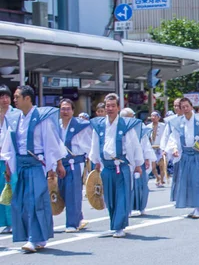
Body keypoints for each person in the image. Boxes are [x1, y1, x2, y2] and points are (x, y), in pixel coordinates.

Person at [1, 85, 67, 252]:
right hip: (21, 165)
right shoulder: (15, 119)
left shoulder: (40, 117)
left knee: (36, 201)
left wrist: (55, 165)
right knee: (21, 202)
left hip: (37, 165)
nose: (14, 100)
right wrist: (8, 165)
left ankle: (35, 237)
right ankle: (33, 236)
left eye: (17, 97)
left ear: (28, 99)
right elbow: (9, 145)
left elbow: (51, 142)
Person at [89, 94, 144, 237]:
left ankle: (120, 225)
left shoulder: (126, 125)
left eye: (113, 106)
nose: (110, 108)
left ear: (118, 107)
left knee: (122, 196)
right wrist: (96, 161)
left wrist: (138, 164)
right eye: (108, 106)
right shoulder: (99, 125)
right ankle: (114, 223)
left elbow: (134, 145)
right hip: (107, 166)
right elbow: (95, 143)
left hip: (122, 165)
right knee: (110, 197)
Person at [165, 97, 199, 219]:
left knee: (198, 181)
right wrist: (174, 149)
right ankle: (193, 206)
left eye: (187, 106)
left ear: (191, 106)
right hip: (185, 156)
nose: (185, 109)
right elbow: (173, 138)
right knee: (187, 182)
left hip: (198, 155)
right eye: (182, 107)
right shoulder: (178, 123)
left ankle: (198, 208)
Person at [58, 98, 92, 233]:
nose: (65, 111)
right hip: (60, 162)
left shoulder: (80, 126)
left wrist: (93, 160)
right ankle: (78, 217)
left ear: (73, 111)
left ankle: (72, 223)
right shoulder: (56, 126)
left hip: (74, 163)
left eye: (68, 109)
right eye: (63, 109)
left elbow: (89, 144)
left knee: (73, 192)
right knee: (62, 192)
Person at [121, 108, 154, 216]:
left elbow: (145, 143)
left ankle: (141, 206)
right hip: (125, 161)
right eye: (130, 116)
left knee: (142, 184)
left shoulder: (140, 127)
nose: (133, 119)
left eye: (133, 116)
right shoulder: (119, 127)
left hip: (139, 159)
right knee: (126, 186)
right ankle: (128, 208)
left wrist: (147, 158)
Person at [0, 85, 16, 234]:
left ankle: (14, 221)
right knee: (1, 190)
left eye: (7, 97)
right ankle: (5, 222)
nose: (4, 100)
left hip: (11, 158)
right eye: (1, 97)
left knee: (12, 188)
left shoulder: (15, 114)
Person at [147, 111, 166, 188]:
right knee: (153, 167)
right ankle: (157, 177)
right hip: (152, 148)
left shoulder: (163, 126)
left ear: (158, 117)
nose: (153, 118)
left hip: (161, 147)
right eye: (152, 116)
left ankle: (161, 180)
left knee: (162, 166)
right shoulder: (148, 127)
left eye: (155, 116)